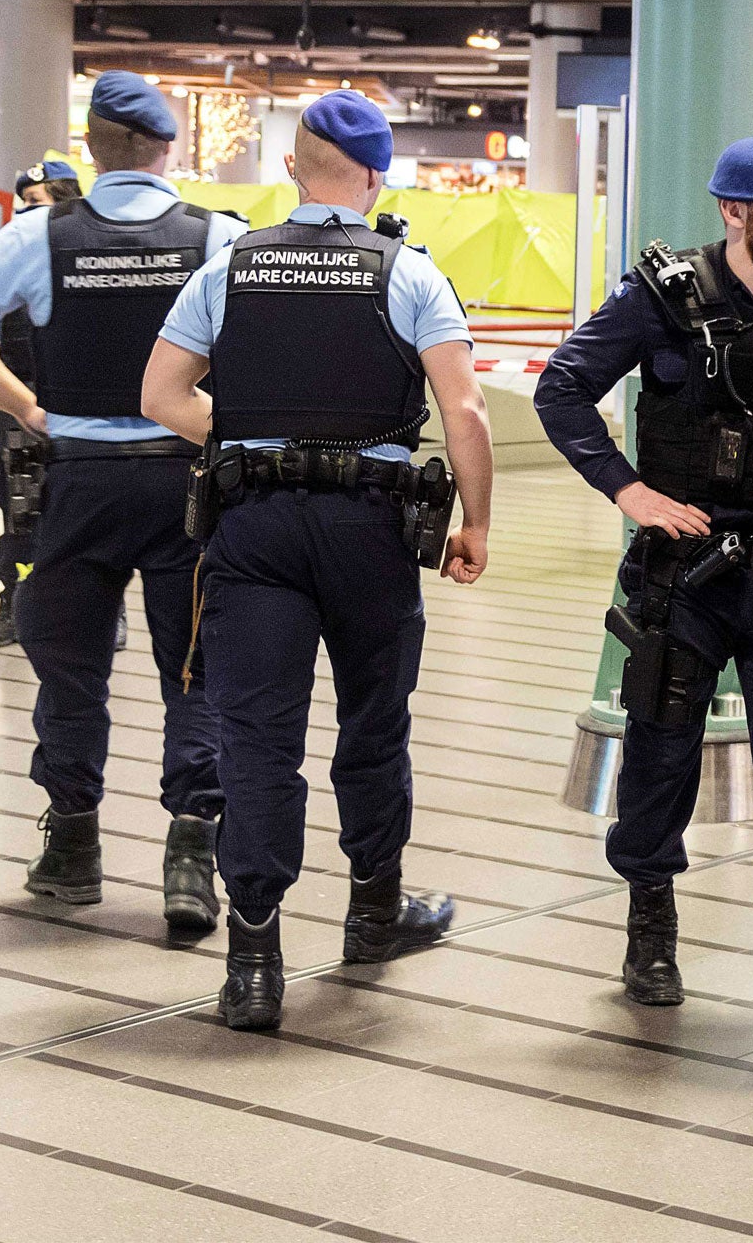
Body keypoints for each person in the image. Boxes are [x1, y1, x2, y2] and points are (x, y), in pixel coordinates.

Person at [141, 90, 493, 1030]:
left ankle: (253, 959)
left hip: (252, 529)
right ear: (377, 177)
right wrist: (477, 526)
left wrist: (256, 437)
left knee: (257, 740)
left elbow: (161, 393)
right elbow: (465, 411)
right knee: (374, 725)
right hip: (371, 531)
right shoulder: (408, 271)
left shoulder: (230, 267)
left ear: (294, 169)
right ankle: (375, 912)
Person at [531, 136, 753, 1045]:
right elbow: (564, 389)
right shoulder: (663, 297)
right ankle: (650, 926)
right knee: (661, 754)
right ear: (735, 214)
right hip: (682, 577)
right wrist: (629, 490)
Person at [0, 74, 239, 934]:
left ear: (92, 144)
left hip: (73, 484)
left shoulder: (38, 234)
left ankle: (72, 847)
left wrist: (24, 405)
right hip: (186, 482)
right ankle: (192, 853)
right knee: (195, 668)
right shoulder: (215, 237)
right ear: (169, 147)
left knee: (70, 669)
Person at [0, 162, 86, 651]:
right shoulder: (12, 258)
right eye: (23, 202)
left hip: (81, 411)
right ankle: (13, 603)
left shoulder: (85, 256)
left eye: (36, 201)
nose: (24, 211)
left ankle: (102, 611)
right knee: (18, 514)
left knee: (86, 510)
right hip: (21, 411)